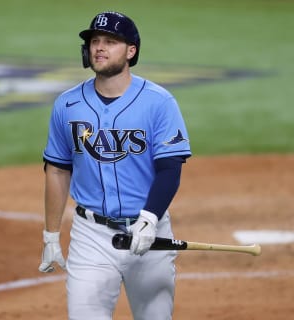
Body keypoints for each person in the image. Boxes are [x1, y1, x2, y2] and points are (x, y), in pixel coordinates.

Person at [39, 11, 191, 320]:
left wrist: (149, 219)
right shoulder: (67, 105)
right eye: (95, 41)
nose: (99, 47)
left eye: (110, 41)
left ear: (131, 51)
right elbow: (57, 169)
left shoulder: (159, 102)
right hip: (90, 237)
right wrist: (51, 235)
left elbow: (170, 168)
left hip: (150, 235)